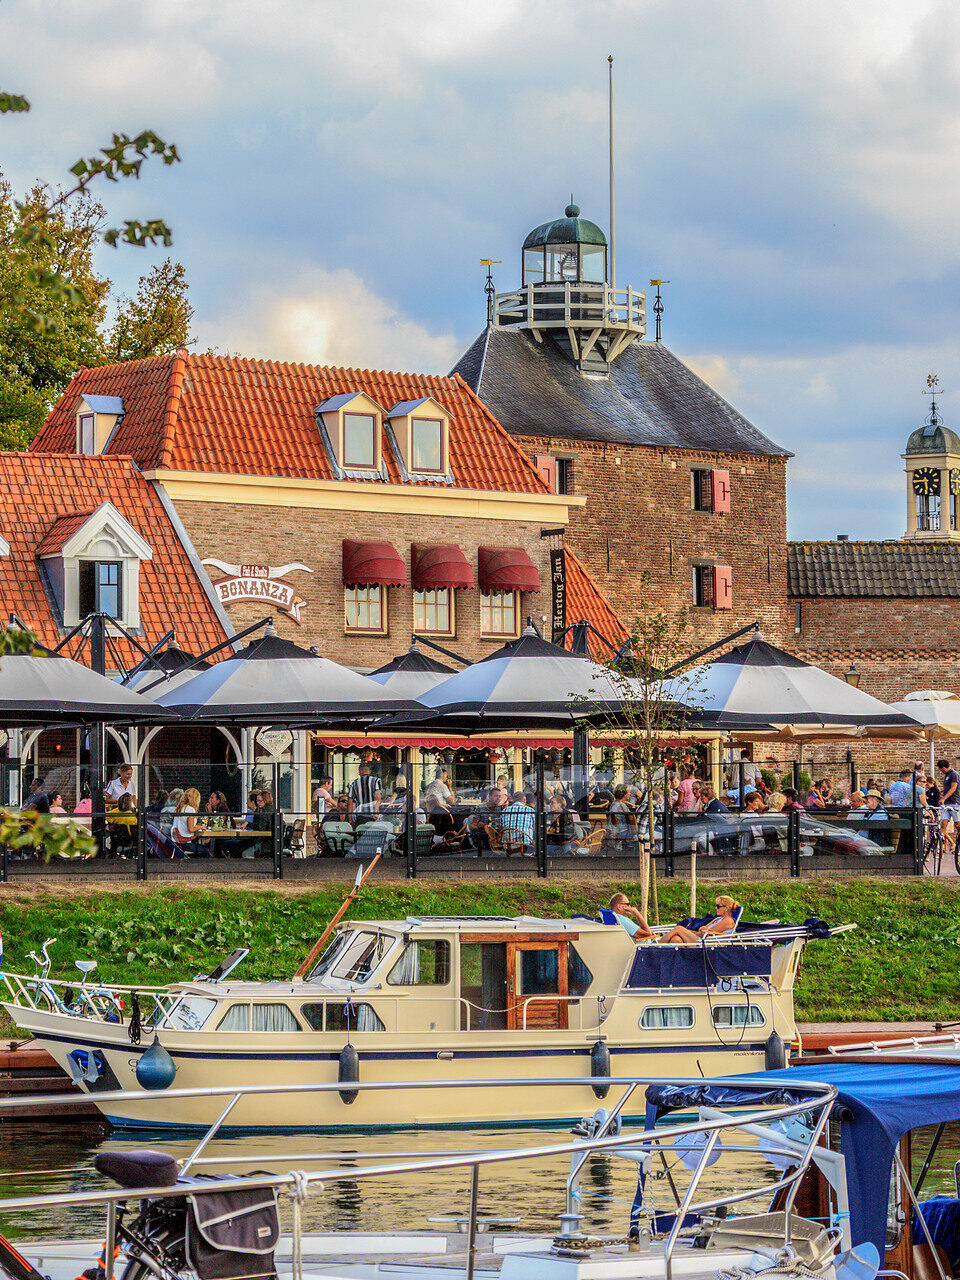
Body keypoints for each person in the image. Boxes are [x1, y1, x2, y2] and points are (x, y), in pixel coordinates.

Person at [659, 894, 740, 945]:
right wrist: (696, 932)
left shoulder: (728, 920)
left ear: (727, 908)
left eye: (718, 906)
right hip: (701, 939)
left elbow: (708, 933)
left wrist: (701, 930)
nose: (716, 908)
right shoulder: (718, 919)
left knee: (678, 929)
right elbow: (702, 930)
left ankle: (656, 945)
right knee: (676, 939)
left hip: (708, 944)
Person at [496, 790, 536, 855]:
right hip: (525, 844)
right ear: (524, 800)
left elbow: (502, 827)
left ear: (513, 800)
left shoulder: (505, 810)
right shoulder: (530, 810)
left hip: (508, 845)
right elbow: (535, 828)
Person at [604, 784, 638, 854]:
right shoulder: (622, 806)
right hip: (622, 832)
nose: (630, 794)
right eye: (629, 792)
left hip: (615, 831)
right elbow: (631, 822)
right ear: (624, 794)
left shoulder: (613, 803)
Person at [468, 787, 504, 853]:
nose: (498, 798)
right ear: (489, 797)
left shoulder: (501, 808)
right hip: (485, 839)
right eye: (496, 796)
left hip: (498, 838)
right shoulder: (480, 807)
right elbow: (473, 825)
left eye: (499, 796)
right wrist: (481, 826)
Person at [171, 788, 203, 855]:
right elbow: (191, 829)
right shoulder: (190, 810)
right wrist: (201, 827)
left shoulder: (179, 808)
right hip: (186, 844)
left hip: (176, 844)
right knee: (207, 850)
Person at [938, 757, 960, 857]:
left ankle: (958, 846)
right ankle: (942, 846)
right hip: (946, 804)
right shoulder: (947, 775)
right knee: (943, 824)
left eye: (941, 769)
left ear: (944, 767)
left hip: (954, 803)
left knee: (957, 826)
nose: (940, 771)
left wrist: (944, 798)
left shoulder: (954, 774)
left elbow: (953, 788)